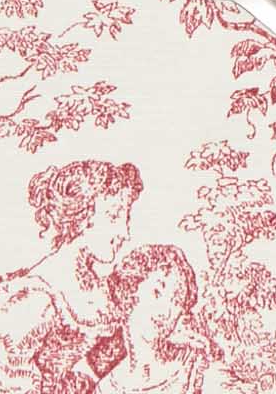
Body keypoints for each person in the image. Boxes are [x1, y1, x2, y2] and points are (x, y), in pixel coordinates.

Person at [22, 158, 142, 386]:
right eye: (114, 216)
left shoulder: (106, 289)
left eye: (126, 218)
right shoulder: (38, 293)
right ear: (80, 216)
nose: (124, 233)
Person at [99, 244, 215, 394]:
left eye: (177, 301)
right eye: (157, 292)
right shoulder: (107, 386)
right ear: (130, 290)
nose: (165, 312)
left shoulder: (197, 369)